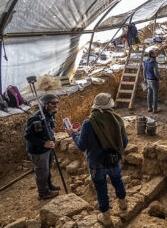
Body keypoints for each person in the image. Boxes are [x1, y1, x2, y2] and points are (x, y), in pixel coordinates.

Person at [66, 93, 128, 226]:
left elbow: (82, 145)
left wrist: (74, 134)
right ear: (109, 105)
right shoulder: (117, 119)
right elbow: (125, 142)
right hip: (113, 160)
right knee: (118, 180)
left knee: (101, 188)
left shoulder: (89, 123)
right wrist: (116, 152)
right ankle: (123, 204)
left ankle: (106, 217)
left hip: (96, 163)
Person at [24, 94, 60, 200]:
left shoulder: (50, 114)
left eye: (57, 102)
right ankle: (43, 193)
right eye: (53, 103)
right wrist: (44, 143)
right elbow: (28, 135)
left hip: (49, 148)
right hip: (38, 150)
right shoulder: (36, 118)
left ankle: (48, 186)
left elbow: (50, 128)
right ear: (46, 104)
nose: (56, 105)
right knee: (41, 171)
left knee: (47, 169)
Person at [144, 46, 162, 113]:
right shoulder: (154, 62)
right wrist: (160, 78)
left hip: (148, 80)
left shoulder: (146, 61)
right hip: (154, 80)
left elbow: (144, 70)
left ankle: (149, 107)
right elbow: (156, 72)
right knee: (155, 95)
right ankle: (155, 109)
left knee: (149, 93)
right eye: (155, 53)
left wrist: (144, 78)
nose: (156, 54)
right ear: (152, 54)